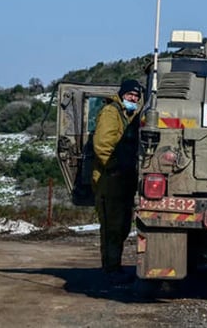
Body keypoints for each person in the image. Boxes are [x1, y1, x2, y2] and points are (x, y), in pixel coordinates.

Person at [92, 78, 144, 283]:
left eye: (136, 96)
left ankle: (114, 266)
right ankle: (110, 269)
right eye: (130, 95)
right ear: (122, 95)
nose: (133, 98)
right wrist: (114, 168)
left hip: (122, 179)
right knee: (112, 227)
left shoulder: (127, 114)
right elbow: (103, 143)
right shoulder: (111, 112)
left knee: (121, 226)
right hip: (110, 179)